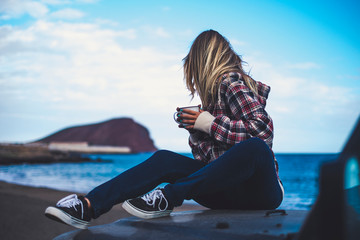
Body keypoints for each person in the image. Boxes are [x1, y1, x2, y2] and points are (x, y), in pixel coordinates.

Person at [44, 29, 284, 229]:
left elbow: (262, 131)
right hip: (224, 192)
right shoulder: (210, 102)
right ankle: (87, 206)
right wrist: (198, 130)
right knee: (164, 159)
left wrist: (208, 124)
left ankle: (167, 198)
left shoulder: (230, 82)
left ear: (203, 62)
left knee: (254, 148)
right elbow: (210, 167)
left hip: (259, 194)